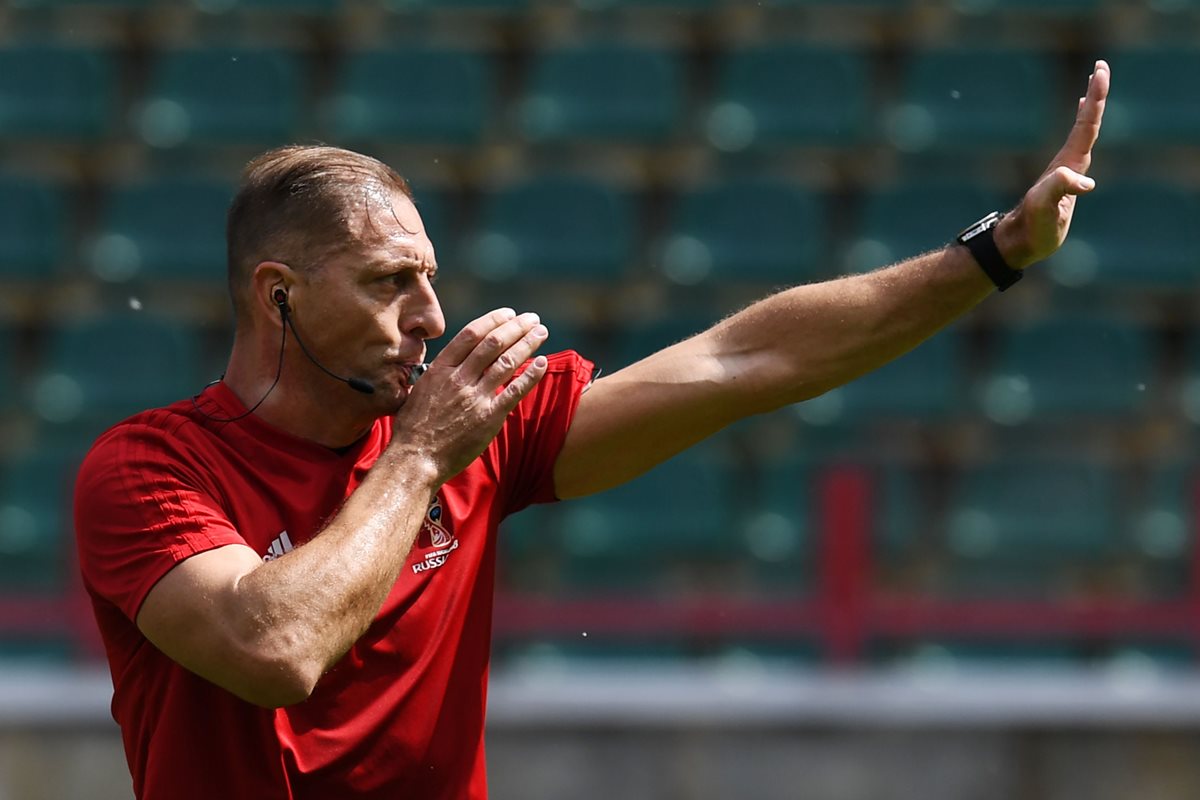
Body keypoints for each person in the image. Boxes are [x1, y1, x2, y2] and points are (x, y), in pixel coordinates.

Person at [74, 60, 1110, 799]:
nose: (432, 316)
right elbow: (275, 645)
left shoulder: (469, 425)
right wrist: (424, 456)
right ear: (278, 295)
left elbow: (745, 358)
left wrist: (995, 251)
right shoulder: (151, 469)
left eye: (430, 277)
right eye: (391, 283)